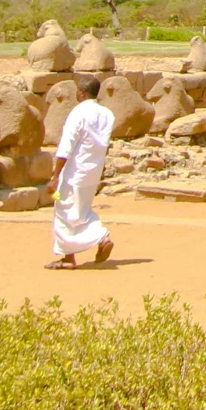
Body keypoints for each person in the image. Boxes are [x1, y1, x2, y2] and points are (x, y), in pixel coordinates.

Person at [47, 72, 116, 270]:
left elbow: (66, 147)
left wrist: (55, 176)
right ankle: (69, 257)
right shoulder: (107, 114)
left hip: (75, 171)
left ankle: (101, 237)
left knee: (65, 211)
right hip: (93, 170)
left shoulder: (78, 113)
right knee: (80, 210)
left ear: (83, 93)